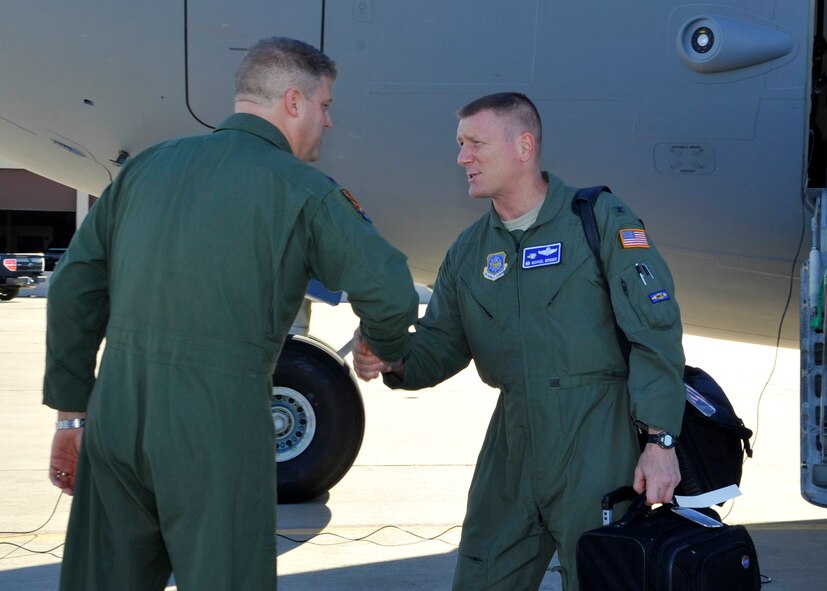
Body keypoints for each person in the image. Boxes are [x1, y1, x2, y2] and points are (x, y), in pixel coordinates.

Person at [44, 37, 418, 591]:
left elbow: (74, 287)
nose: (329, 122)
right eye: (326, 105)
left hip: (116, 416)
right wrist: (379, 344)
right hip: (217, 424)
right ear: (293, 102)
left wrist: (73, 414)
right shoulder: (304, 191)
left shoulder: (146, 169)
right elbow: (390, 291)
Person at [352, 92, 685, 591]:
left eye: (475, 144)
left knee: (603, 577)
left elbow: (654, 331)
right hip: (512, 448)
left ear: (524, 145)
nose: (462, 157)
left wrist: (660, 441)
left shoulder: (597, 220)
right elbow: (440, 346)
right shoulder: (470, 252)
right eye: (461, 144)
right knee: (482, 577)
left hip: (596, 439)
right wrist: (391, 355)